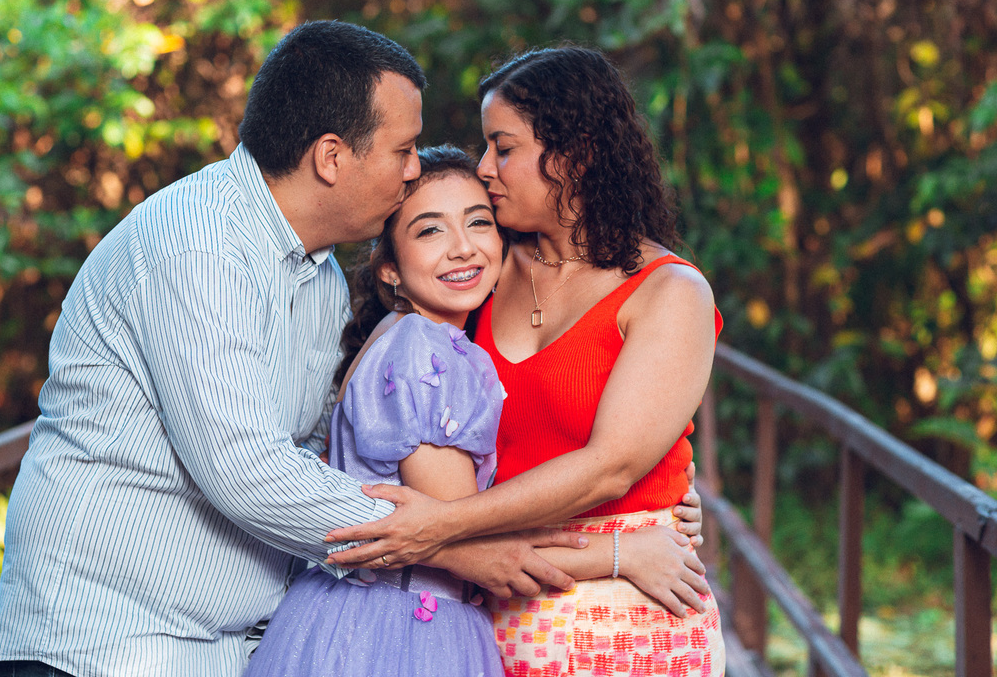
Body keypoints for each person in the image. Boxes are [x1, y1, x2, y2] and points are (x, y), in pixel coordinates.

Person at [0, 23, 583, 677]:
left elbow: (335, 450)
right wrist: (445, 545)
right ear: (331, 157)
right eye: (403, 150)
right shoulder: (201, 247)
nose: (414, 170)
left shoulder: (316, 274)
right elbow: (245, 468)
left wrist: (628, 507)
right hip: (104, 645)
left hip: (227, 649)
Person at [325, 47, 726, 676]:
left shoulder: (669, 291)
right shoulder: (478, 270)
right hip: (478, 609)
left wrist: (442, 525)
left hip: (630, 611)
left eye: (502, 148)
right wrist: (442, 529)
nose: (484, 168)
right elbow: (400, 389)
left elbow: (611, 468)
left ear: (575, 154)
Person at [243, 146, 710, 677]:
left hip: (360, 619)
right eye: (430, 231)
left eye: (479, 223)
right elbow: (472, 545)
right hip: (402, 634)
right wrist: (627, 553)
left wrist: (666, 486)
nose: (462, 249)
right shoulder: (427, 357)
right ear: (390, 270)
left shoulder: (404, 336)